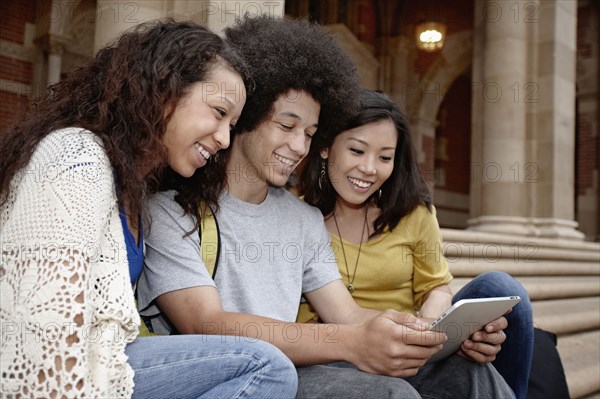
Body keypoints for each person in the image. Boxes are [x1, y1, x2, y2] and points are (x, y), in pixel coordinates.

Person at [137, 16, 515, 399]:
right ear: (246, 118)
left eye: (310, 134)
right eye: (287, 126)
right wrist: (351, 343)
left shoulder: (303, 218)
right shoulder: (171, 212)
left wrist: (436, 334)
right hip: (246, 377)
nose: (300, 148)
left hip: (304, 367)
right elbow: (207, 322)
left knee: (469, 373)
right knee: (391, 395)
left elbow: (347, 315)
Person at [0, 20, 298, 398]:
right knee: (264, 366)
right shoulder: (76, 157)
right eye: (219, 112)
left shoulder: (133, 183)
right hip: (60, 375)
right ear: (165, 89)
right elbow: (43, 328)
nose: (224, 139)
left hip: (108, 361)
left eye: (232, 125)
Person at [298, 89, 534, 399]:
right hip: (343, 348)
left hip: (415, 338)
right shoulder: (298, 217)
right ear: (326, 147)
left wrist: (433, 328)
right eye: (357, 151)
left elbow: (436, 287)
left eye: (385, 157)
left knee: (499, 288)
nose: (370, 168)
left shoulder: (413, 212)